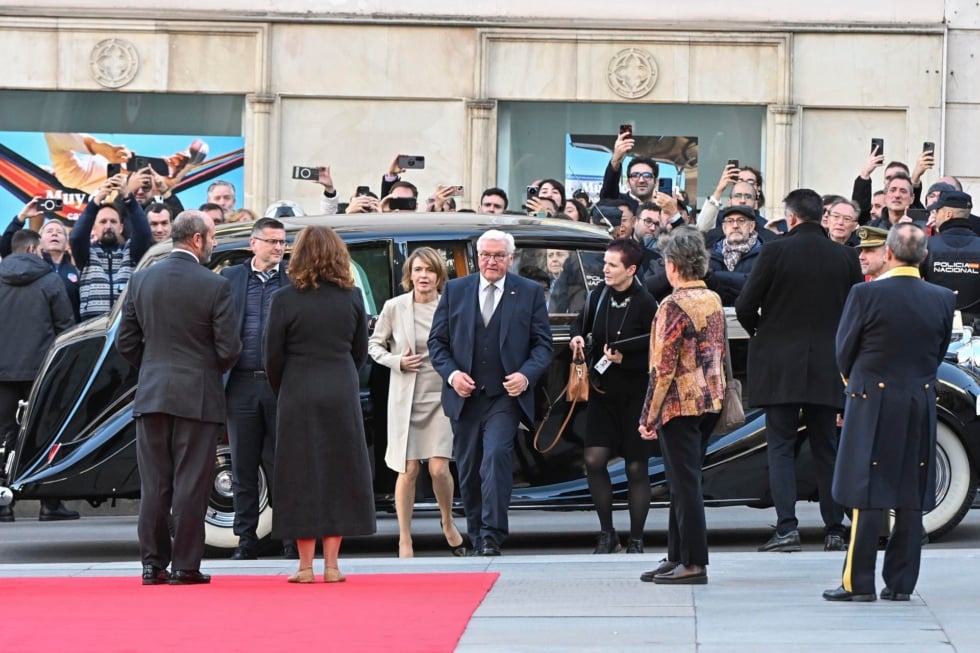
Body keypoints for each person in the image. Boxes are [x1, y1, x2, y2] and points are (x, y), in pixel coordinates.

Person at [823, 224, 955, 602]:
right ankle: (900, 584)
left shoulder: (865, 293)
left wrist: (853, 384)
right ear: (924, 256)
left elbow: (844, 350)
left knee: (865, 493)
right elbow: (939, 350)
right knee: (910, 494)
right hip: (919, 400)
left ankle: (857, 582)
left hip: (871, 400)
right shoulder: (944, 297)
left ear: (890, 253)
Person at [115, 210, 241, 586]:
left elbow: (125, 343)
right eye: (213, 237)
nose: (215, 244)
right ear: (198, 239)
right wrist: (205, 370)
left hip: (152, 393)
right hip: (197, 397)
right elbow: (229, 349)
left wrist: (153, 365)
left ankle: (152, 565)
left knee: (155, 484)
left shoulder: (141, 280)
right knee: (191, 483)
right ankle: (186, 566)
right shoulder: (214, 285)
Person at [735, 188, 863, 553]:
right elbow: (854, 313)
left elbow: (746, 304)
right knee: (827, 447)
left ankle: (787, 527)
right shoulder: (844, 257)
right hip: (829, 364)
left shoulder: (774, 250)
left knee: (780, 445)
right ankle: (834, 528)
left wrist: (762, 331)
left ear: (790, 217)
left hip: (779, 362)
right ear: (821, 216)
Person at [428, 229, 553, 556]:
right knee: (469, 468)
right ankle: (477, 530)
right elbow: (437, 344)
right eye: (486, 255)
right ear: (477, 256)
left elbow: (542, 345)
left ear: (510, 259)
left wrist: (525, 377)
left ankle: (491, 535)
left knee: (496, 457)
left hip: (505, 396)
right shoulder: (456, 290)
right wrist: (453, 375)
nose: (491, 261)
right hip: (466, 397)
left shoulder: (527, 292)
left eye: (499, 256)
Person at [263, 226, 375, 583]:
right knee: (340, 473)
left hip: (298, 390)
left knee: (299, 476)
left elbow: (272, 356)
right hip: (340, 389)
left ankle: (305, 566)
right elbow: (360, 352)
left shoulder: (284, 299)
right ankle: (332, 565)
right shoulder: (353, 296)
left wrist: (287, 386)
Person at [637, 226, 726, 585]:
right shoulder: (712, 298)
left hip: (679, 403)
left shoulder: (672, 305)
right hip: (709, 399)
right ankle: (677, 555)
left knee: (684, 483)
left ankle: (693, 561)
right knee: (683, 480)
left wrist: (649, 414)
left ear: (672, 266)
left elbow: (662, 368)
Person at [368, 247, 466, 558]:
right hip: (406, 398)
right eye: (418, 270)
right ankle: (404, 537)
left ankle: (448, 521)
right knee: (408, 470)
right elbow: (374, 344)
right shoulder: (395, 307)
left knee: (439, 468)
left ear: (440, 275)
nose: (424, 276)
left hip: (441, 394)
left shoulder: (450, 306)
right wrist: (397, 361)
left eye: (430, 270)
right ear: (409, 274)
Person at [569, 238, 658, 554]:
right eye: (604, 263)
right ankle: (607, 532)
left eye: (611, 265)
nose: (604, 269)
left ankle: (636, 537)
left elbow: (657, 352)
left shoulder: (648, 304)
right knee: (594, 460)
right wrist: (577, 337)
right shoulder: (597, 296)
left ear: (631, 270)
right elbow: (581, 323)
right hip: (602, 392)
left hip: (635, 394)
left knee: (636, 466)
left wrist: (627, 361)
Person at [220, 218, 295, 560]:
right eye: (272, 241)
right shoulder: (231, 277)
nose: (278, 247)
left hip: (281, 385)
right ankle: (245, 538)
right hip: (241, 384)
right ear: (254, 244)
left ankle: (290, 538)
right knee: (243, 466)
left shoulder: (293, 280)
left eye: (282, 242)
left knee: (284, 465)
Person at [0, 230, 75, 523]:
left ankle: (3, 504)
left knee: (3, 437)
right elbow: (66, 328)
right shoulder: (49, 279)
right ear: (33, 249)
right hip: (41, 373)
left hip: (2, 373)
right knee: (45, 436)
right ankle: (49, 503)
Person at [71, 174, 152, 320]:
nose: (108, 226)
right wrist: (96, 200)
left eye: (113, 221)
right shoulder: (87, 255)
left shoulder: (130, 252)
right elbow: (76, 237)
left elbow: (144, 233)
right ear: (93, 228)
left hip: (126, 326)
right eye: (102, 222)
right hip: (93, 328)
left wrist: (128, 197)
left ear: (121, 227)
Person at [921, 190, 980, 325]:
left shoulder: (927, 245)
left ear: (948, 214)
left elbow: (910, 284)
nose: (934, 216)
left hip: (934, 324)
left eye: (937, 211)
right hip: (975, 331)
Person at [707, 205, 763, 306]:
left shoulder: (764, 254)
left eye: (741, 220)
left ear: (751, 226)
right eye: (730, 221)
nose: (735, 225)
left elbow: (757, 286)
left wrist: (715, 276)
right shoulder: (710, 255)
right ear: (724, 228)